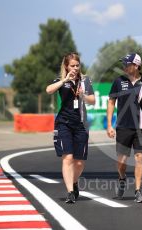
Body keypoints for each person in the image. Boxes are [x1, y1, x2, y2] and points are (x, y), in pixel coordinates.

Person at [106, 53, 142, 203]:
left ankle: (138, 191)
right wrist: (109, 125)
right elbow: (111, 103)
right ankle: (122, 178)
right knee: (121, 161)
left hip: (141, 128)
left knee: (139, 158)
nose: (124, 66)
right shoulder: (118, 81)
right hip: (122, 127)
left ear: (136, 66)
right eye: (124, 64)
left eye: (127, 64)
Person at [46, 52, 95, 204]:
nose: (75, 68)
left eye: (77, 65)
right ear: (66, 66)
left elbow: (92, 100)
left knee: (79, 162)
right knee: (67, 157)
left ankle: (74, 182)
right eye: (72, 65)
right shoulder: (61, 79)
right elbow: (48, 90)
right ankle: (70, 192)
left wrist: (83, 96)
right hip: (64, 123)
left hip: (80, 124)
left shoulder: (85, 80)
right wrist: (64, 80)